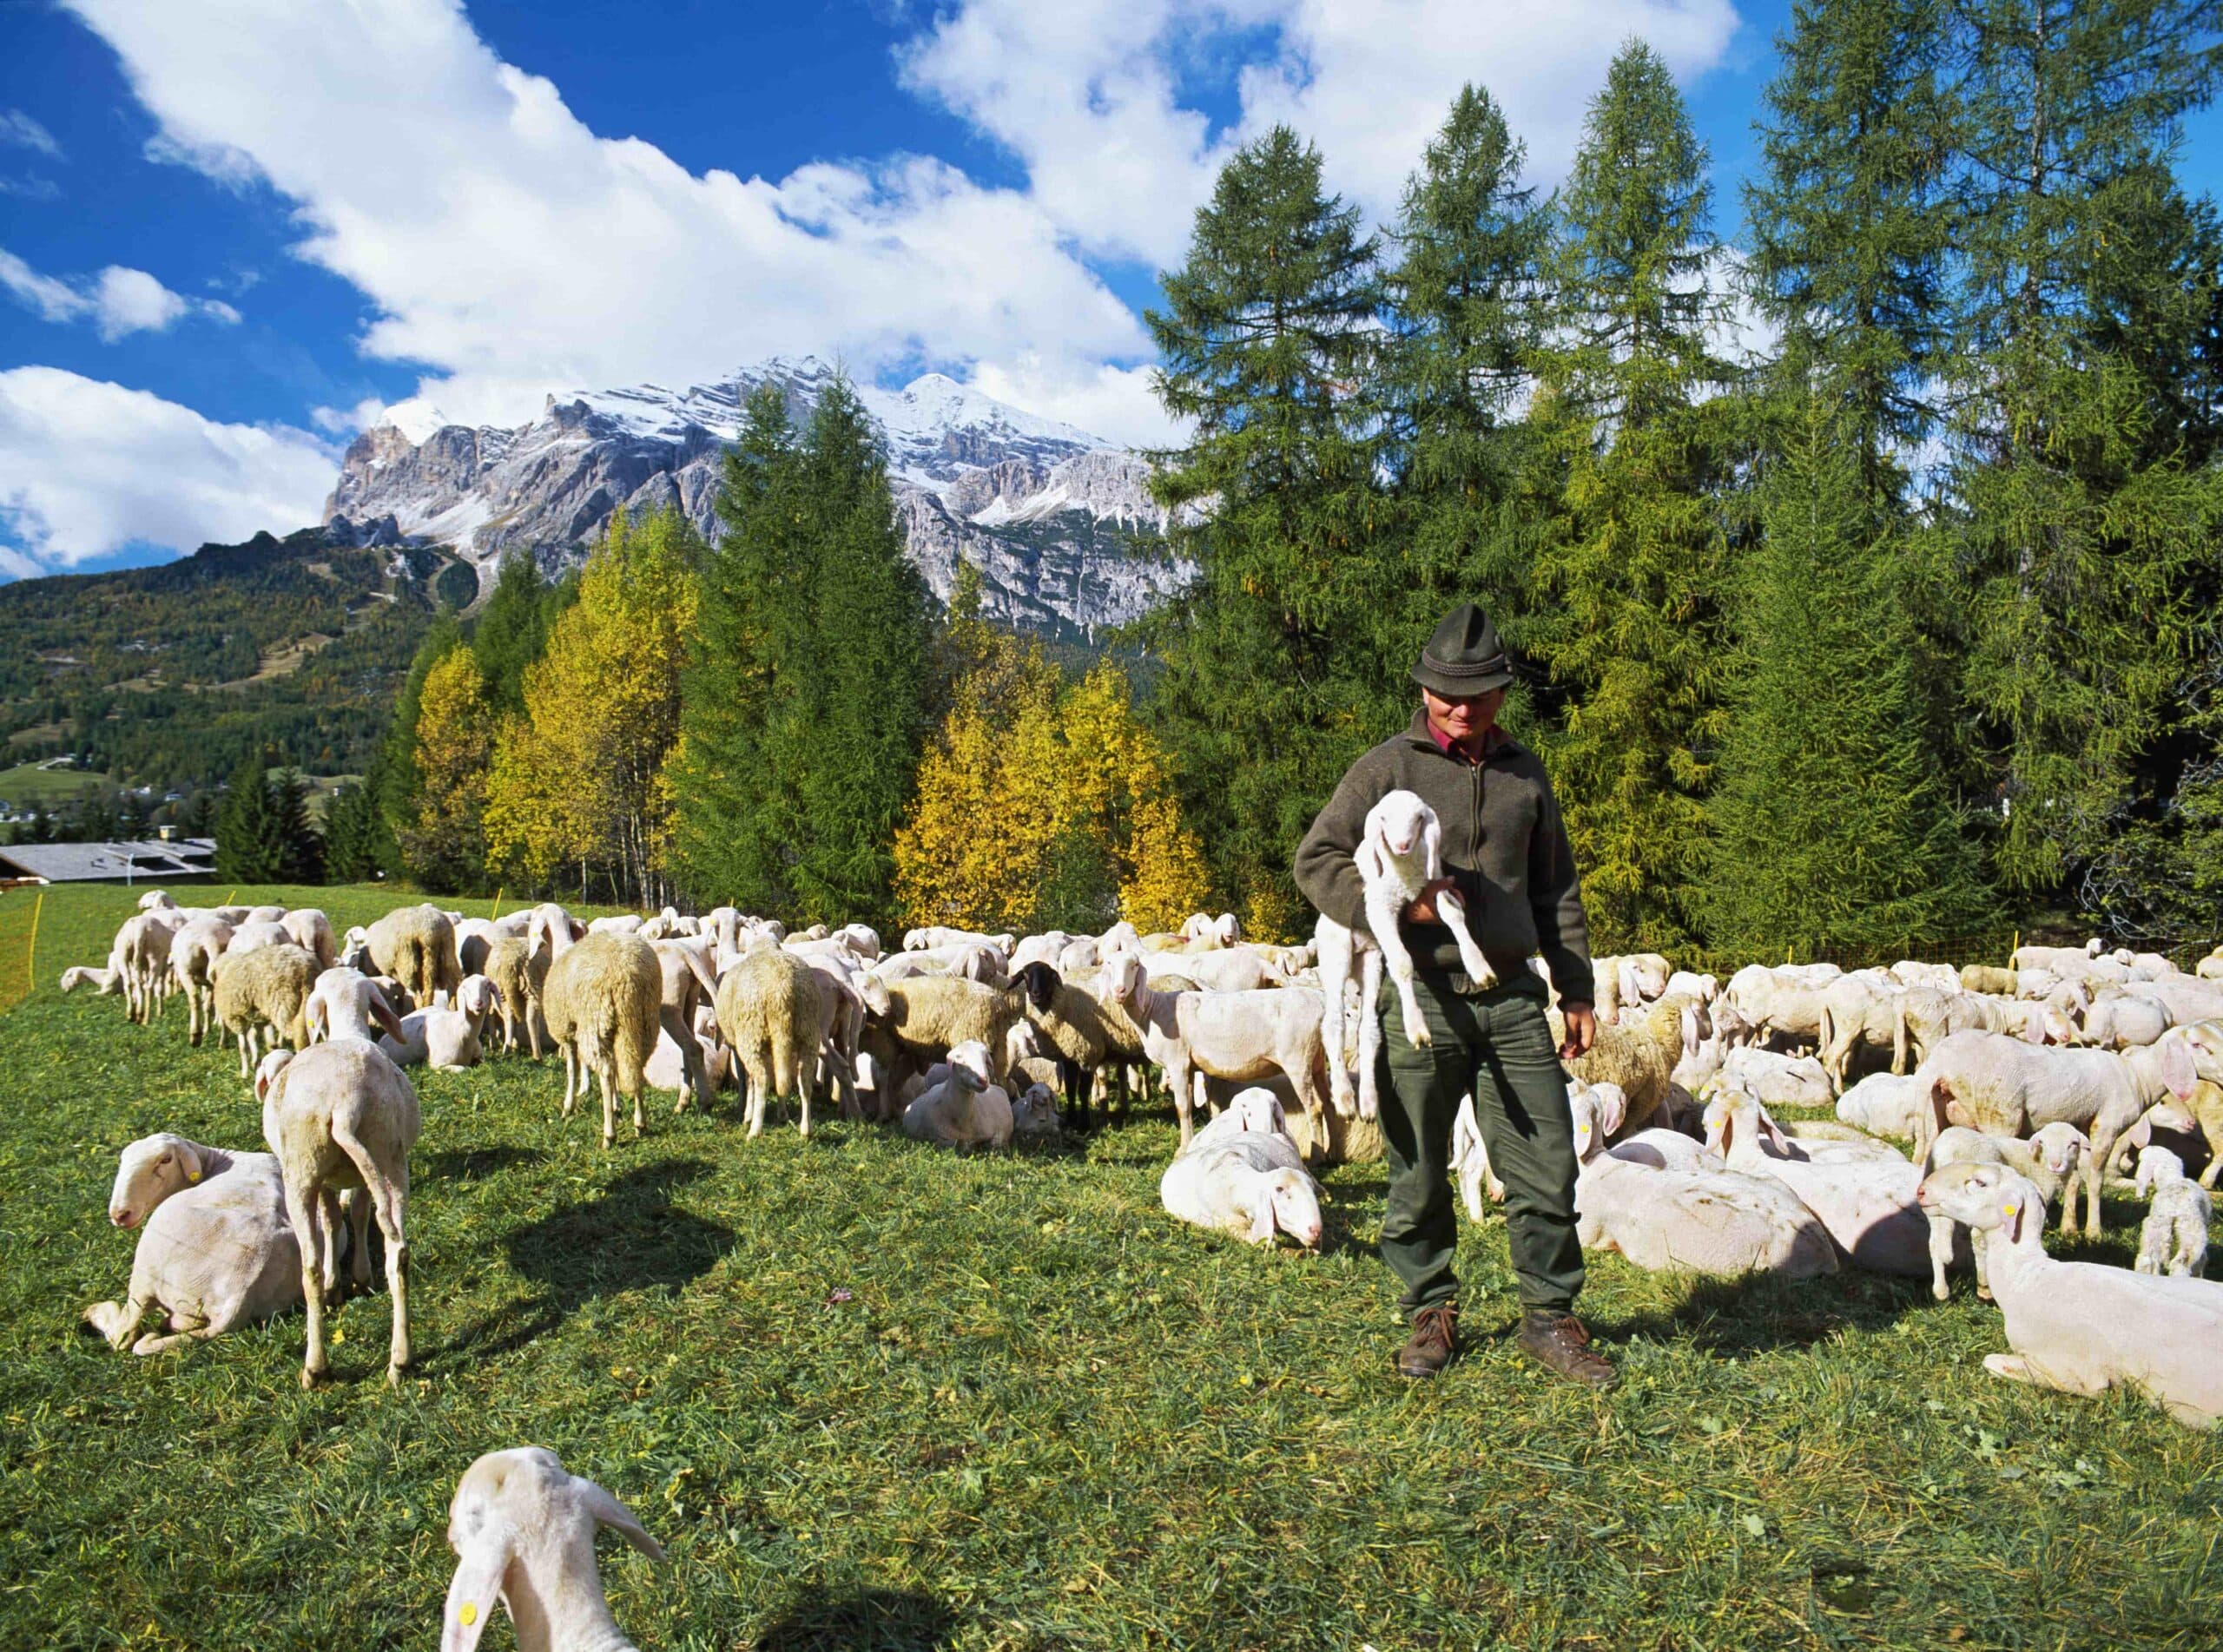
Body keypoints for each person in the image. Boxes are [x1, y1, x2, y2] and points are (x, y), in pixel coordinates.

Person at [1293, 602, 1613, 1386]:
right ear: (1424, 687)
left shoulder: (1523, 776)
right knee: (1418, 1163)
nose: (1457, 706)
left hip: (1509, 994)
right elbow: (1317, 859)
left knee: (1547, 1158)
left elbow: (1556, 887)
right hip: (1424, 993)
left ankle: (1548, 1316)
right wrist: (1396, 903)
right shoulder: (1387, 768)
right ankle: (1430, 1310)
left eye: (1474, 693)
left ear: (1501, 693)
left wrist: (1574, 986)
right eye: (1443, 691)